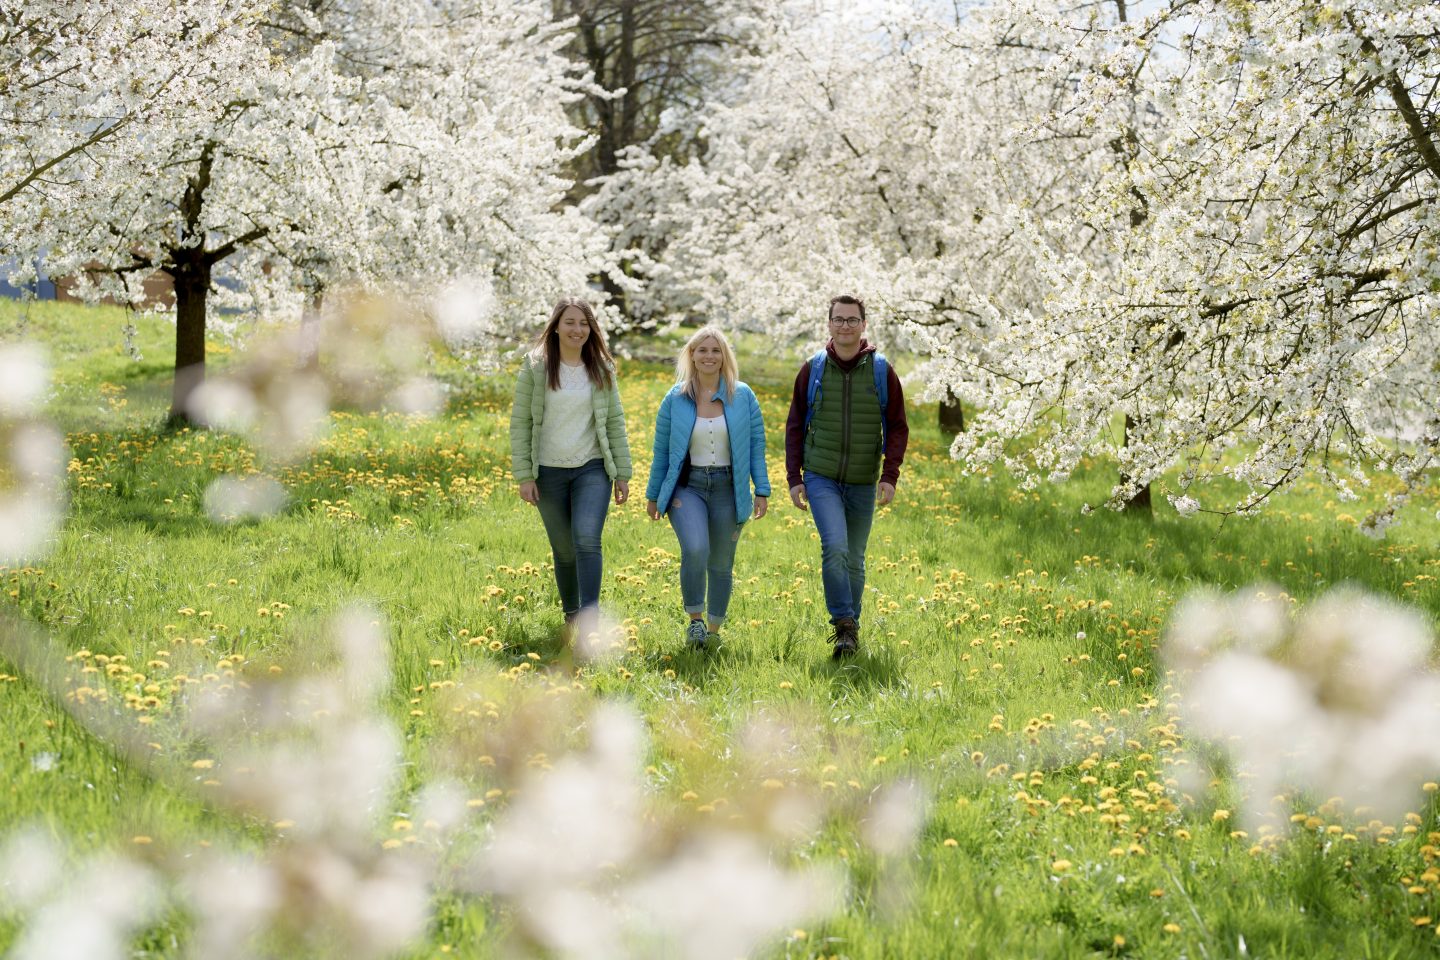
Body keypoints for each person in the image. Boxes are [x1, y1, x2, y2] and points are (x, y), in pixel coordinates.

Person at [785, 295, 908, 659]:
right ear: (829, 324)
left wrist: (890, 475)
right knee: (835, 547)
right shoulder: (813, 369)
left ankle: (849, 631)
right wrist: (795, 477)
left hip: (862, 480)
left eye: (852, 320)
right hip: (821, 476)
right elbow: (794, 425)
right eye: (838, 320)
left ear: (864, 325)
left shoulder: (882, 371)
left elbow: (898, 426)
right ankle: (843, 623)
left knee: (855, 556)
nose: (845, 326)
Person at [510, 296, 631, 639]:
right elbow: (520, 423)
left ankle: (590, 618)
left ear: (592, 329)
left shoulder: (602, 369)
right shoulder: (536, 367)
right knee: (563, 549)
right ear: (556, 326)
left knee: (586, 539)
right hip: (547, 472)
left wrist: (621, 472)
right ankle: (572, 616)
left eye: (584, 324)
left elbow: (615, 423)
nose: (577, 330)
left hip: (591, 468)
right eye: (570, 322)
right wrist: (524, 475)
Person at [646, 326, 770, 650]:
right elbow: (661, 451)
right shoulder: (675, 398)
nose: (709, 356)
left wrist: (762, 489)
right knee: (696, 549)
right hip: (689, 488)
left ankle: (713, 630)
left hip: (729, 488)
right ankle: (695, 623)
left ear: (724, 356)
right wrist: (652, 494)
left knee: (721, 562)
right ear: (692, 355)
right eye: (702, 350)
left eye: (716, 350)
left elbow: (756, 445)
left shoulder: (743, 396)